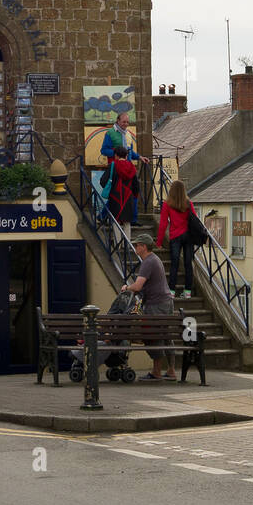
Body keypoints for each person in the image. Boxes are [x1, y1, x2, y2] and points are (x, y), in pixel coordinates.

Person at [120, 233, 176, 380]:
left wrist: (126, 288)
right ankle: (171, 370)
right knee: (165, 335)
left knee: (152, 336)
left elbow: (138, 286)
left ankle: (156, 371)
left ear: (144, 247)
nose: (135, 247)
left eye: (137, 245)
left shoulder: (148, 262)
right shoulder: (155, 259)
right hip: (165, 302)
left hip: (156, 304)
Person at [100, 110, 150, 225]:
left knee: (132, 193)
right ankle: (103, 215)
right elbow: (104, 150)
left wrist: (140, 157)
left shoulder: (128, 134)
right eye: (124, 122)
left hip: (128, 168)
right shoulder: (110, 133)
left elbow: (130, 151)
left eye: (127, 122)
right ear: (118, 121)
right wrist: (118, 152)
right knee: (117, 195)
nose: (126, 124)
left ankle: (133, 219)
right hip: (117, 168)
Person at [157, 179, 198, 297]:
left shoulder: (167, 204)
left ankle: (171, 291)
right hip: (188, 236)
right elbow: (194, 219)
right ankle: (188, 292)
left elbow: (163, 224)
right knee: (188, 263)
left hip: (175, 236)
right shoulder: (188, 203)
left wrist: (159, 242)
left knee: (174, 264)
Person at [100, 145, 139, 240]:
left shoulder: (113, 165)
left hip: (115, 197)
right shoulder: (131, 167)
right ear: (126, 156)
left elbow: (103, 181)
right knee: (127, 222)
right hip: (128, 197)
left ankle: (118, 246)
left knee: (116, 221)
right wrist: (134, 196)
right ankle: (128, 245)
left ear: (116, 155)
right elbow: (136, 185)